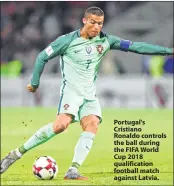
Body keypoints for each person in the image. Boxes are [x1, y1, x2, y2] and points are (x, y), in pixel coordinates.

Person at [1, 6, 173, 180]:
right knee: (61, 125)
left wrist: (168, 51)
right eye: (93, 22)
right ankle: (15, 154)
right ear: (84, 21)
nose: (97, 27)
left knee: (92, 124)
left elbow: (137, 46)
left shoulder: (106, 40)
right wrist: (35, 82)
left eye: (100, 23)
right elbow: (42, 57)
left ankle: (73, 170)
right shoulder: (66, 40)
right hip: (71, 92)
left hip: (89, 95)